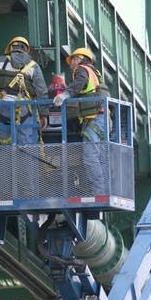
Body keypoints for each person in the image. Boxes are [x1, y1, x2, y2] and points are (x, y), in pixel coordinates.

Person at [53, 47, 109, 197]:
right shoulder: (95, 72)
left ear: (78, 58)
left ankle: (98, 192)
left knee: (90, 155)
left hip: (94, 118)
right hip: (100, 117)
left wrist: (65, 94)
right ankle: (102, 190)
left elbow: (79, 83)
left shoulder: (81, 70)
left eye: (71, 60)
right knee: (99, 156)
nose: (70, 64)